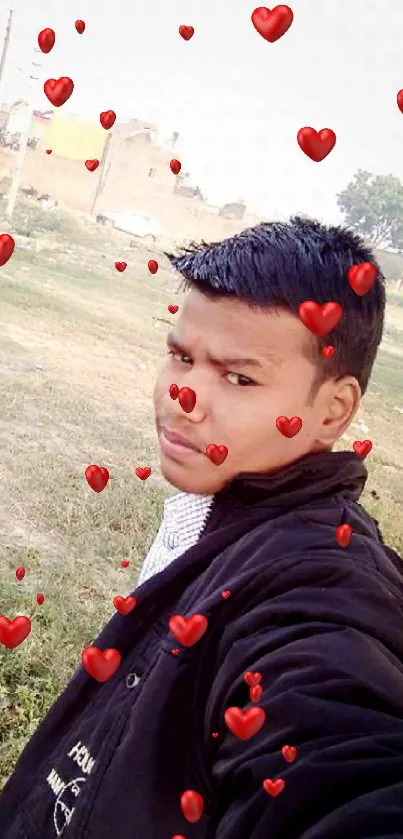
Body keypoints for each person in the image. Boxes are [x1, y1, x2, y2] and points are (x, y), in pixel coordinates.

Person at [1, 216, 403, 839]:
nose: (183, 397)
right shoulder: (220, 507)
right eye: (181, 356)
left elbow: (334, 748)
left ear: (333, 411)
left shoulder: (324, 587)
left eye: (239, 377)